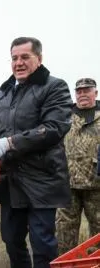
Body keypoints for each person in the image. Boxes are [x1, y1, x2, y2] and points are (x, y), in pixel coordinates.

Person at [0, 37, 73, 267]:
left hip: (42, 181)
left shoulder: (54, 87)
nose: (19, 63)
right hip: (9, 182)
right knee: (11, 241)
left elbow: (55, 128)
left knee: (43, 244)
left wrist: (9, 143)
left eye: (25, 57)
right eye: (15, 58)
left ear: (39, 58)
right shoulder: (3, 94)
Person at [56, 78, 100, 255]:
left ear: (95, 93)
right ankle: (66, 264)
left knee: (99, 230)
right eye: (79, 91)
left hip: (97, 185)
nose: (82, 94)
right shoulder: (65, 115)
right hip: (67, 184)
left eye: (86, 90)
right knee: (64, 231)